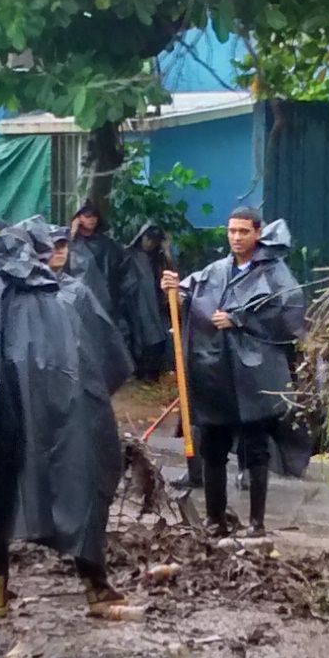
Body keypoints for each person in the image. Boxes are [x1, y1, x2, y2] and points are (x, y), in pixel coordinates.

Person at [0, 218, 139, 621]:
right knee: (73, 488)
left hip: (4, 412)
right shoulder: (67, 295)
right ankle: (94, 587)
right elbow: (110, 363)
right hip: (62, 418)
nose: (58, 253)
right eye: (52, 247)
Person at [162, 208, 307, 536]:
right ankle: (215, 519)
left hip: (255, 375)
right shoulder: (217, 270)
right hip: (218, 373)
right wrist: (174, 289)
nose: (236, 237)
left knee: (256, 449)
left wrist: (240, 319)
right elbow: (190, 292)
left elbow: (289, 313)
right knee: (213, 444)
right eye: (231, 231)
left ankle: (257, 523)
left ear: (258, 233)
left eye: (243, 231)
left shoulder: (274, 273)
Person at [68, 204, 169, 376]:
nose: (91, 219)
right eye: (86, 215)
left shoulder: (108, 245)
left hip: (108, 301)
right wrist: (71, 234)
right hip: (78, 302)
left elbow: (124, 272)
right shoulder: (68, 244)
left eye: (94, 215)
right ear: (78, 218)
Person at [123, 222, 176, 378]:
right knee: (140, 337)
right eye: (148, 238)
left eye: (154, 240)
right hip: (135, 305)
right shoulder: (130, 255)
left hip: (157, 305)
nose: (150, 243)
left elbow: (171, 273)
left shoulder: (159, 259)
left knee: (158, 336)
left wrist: (166, 251)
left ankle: (153, 373)